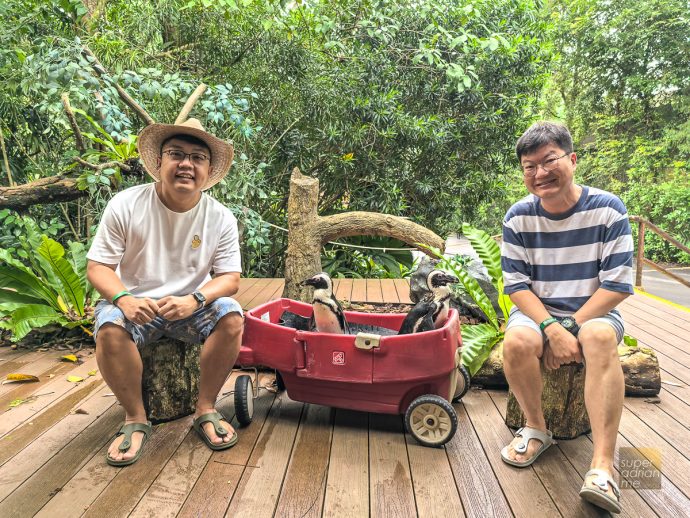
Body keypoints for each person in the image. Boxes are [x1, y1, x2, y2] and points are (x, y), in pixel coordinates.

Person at [87, 118, 244, 466]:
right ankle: (135, 418)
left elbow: (230, 278)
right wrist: (124, 299)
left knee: (231, 315)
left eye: (197, 157)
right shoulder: (126, 204)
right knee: (110, 327)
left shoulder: (220, 217)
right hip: (137, 306)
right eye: (176, 154)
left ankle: (205, 408)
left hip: (190, 309)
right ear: (159, 162)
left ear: (208, 169)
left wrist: (196, 299)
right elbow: (98, 267)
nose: (186, 164)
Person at [499, 121, 633, 513]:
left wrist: (569, 327)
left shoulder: (608, 209)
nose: (540, 173)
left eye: (549, 160)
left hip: (594, 311)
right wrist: (550, 327)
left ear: (572, 159)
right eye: (529, 166)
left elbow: (618, 285)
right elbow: (517, 287)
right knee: (517, 342)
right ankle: (536, 427)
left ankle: (603, 465)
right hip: (539, 313)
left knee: (599, 338)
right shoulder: (518, 217)